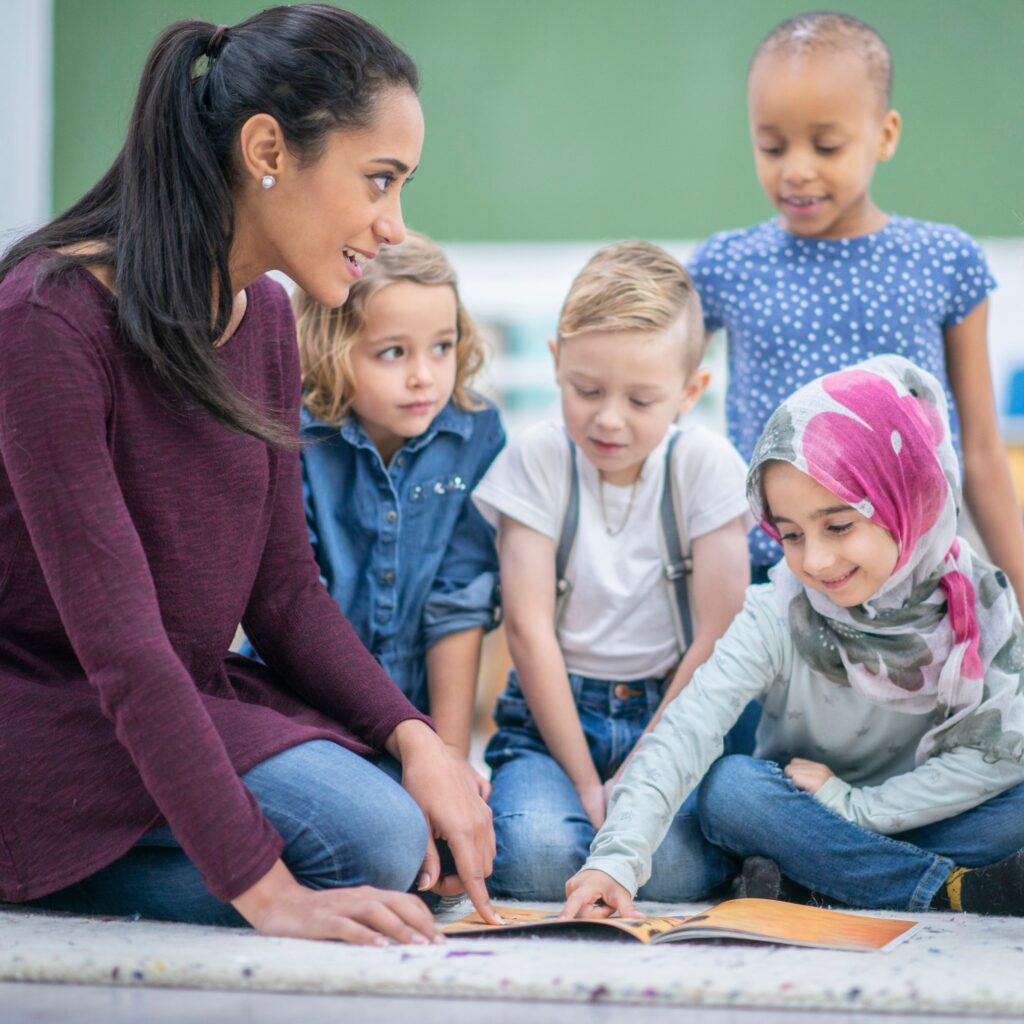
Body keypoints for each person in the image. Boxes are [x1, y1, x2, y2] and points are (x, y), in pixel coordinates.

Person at [0, 6, 500, 945]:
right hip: (46, 713)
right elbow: (124, 648)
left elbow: (284, 593)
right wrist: (269, 895)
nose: (393, 226)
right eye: (379, 180)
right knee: (370, 841)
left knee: (402, 812)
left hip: (174, 697)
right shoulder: (45, 321)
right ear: (267, 148)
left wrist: (417, 737)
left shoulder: (265, 316)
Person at [563, 355, 1024, 920]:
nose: (817, 560)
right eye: (790, 535)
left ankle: (812, 877)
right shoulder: (781, 608)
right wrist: (614, 860)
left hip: (914, 808)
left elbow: (994, 760)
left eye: (837, 525)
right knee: (731, 793)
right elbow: (688, 727)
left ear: (910, 496)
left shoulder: (982, 604)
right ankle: (951, 889)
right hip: (796, 807)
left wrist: (858, 808)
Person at [687, 11, 1024, 599]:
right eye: (771, 145)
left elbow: (982, 454)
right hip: (774, 581)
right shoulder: (726, 267)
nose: (796, 169)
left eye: (826, 145)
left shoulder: (945, 261)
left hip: (916, 588)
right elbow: (656, 395)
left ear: (885, 135)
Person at [473, 241, 751, 900]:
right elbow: (527, 629)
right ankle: (568, 811)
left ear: (690, 392)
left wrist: (643, 778)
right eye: (586, 389)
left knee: (676, 873)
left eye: (642, 400)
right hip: (551, 719)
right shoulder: (536, 461)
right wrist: (587, 782)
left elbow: (716, 634)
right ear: (555, 363)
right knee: (538, 858)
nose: (608, 418)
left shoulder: (707, 469)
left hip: (673, 714)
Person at [241, 231, 504, 794]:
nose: (424, 377)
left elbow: (457, 602)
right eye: (393, 352)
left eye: (442, 347)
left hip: (420, 710)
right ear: (332, 345)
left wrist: (452, 754)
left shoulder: (474, 432)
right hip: (297, 704)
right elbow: (290, 603)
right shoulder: (290, 432)